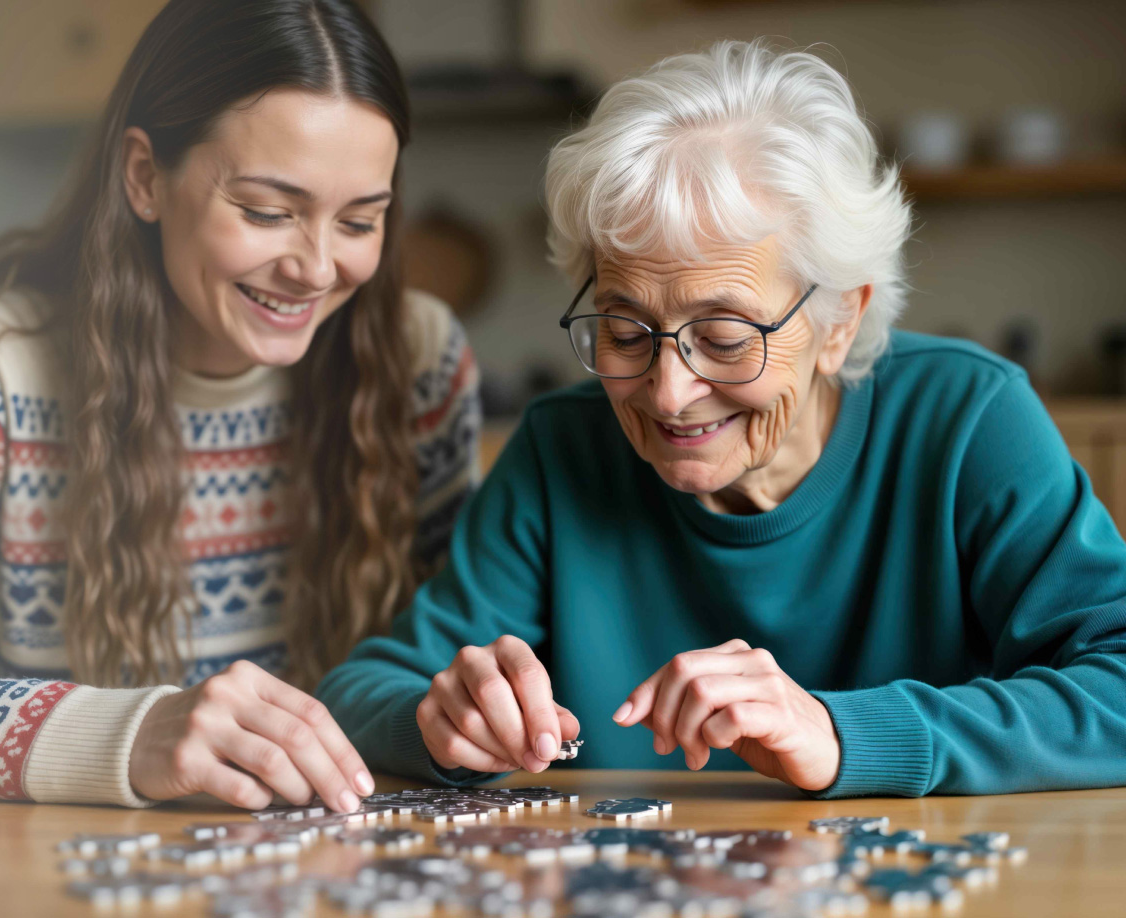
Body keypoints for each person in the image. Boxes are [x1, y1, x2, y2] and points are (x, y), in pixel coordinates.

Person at [318, 40, 1126, 798]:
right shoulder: (562, 448)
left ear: (840, 322)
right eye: (625, 331)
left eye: (727, 338)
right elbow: (360, 692)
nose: (669, 394)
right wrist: (442, 722)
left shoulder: (967, 418)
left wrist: (842, 733)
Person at [0, 0, 479, 810]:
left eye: (359, 220)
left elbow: (450, 658)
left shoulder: (419, 362)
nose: (316, 268)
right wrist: (134, 735)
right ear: (145, 177)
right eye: (267, 212)